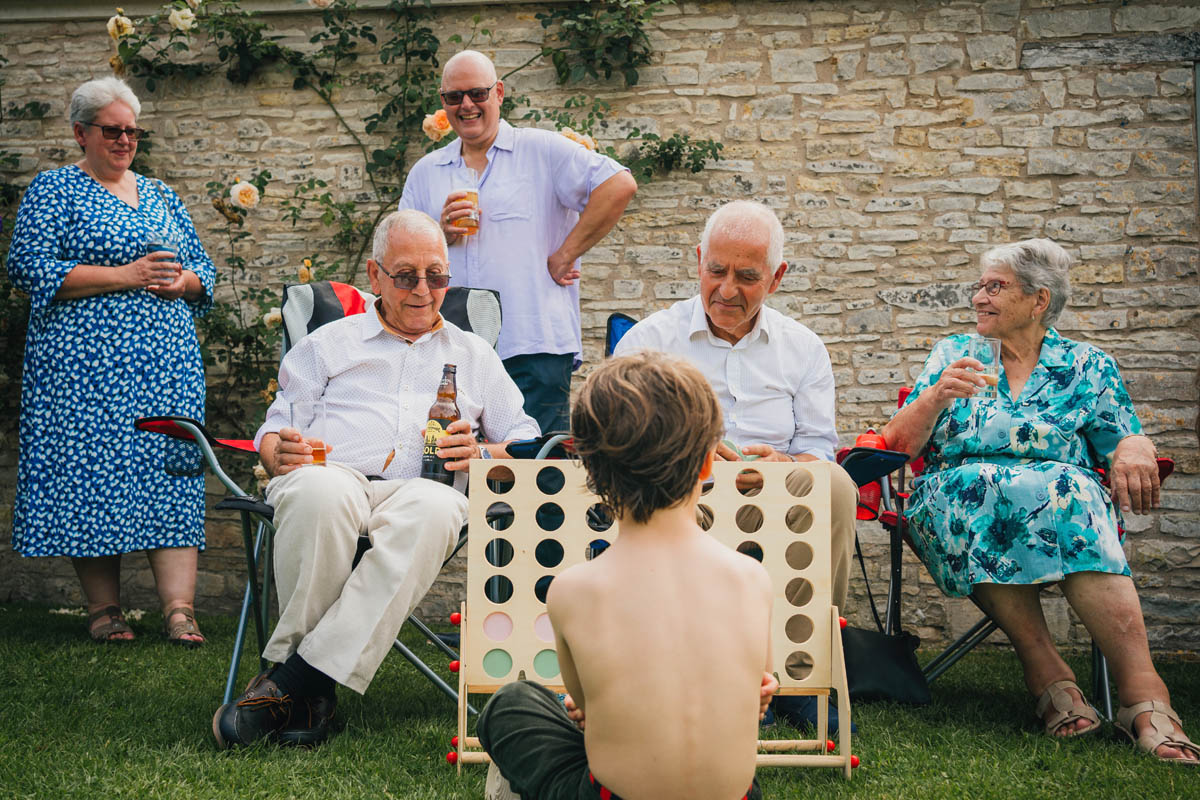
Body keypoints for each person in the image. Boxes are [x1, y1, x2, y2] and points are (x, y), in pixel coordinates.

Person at [212, 210, 540, 749]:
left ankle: (291, 684)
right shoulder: (327, 344)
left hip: (422, 490)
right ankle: (309, 690)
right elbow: (274, 431)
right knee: (320, 494)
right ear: (375, 276)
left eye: (436, 276)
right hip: (329, 472)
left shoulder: (474, 355)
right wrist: (277, 453)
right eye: (406, 275)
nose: (422, 290)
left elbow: (526, 444)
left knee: (436, 509)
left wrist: (482, 450)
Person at [880, 238, 1197, 763]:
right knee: (988, 492)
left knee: (1067, 494)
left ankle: (1145, 696)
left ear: (1039, 300)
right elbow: (897, 446)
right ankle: (1048, 672)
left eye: (995, 287)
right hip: (957, 500)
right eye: (980, 286)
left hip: (1062, 503)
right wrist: (936, 397)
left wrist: (1136, 446)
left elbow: (1123, 435)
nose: (979, 297)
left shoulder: (1089, 365)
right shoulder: (952, 354)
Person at [478, 352, 775, 800]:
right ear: (708, 465)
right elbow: (758, 696)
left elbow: (587, 711)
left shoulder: (574, 591)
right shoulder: (752, 579)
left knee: (512, 703)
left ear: (593, 473)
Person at [613, 199, 857, 733]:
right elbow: (617, 442)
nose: (726, 289)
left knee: (834, 485)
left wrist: (783, 461)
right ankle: (705, 678)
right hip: (681, 493)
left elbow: (819, 447)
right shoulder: (649, 341)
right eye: (715, 270)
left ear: (777, 277)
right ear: (699, 260)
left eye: (747, 276)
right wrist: (693, 456)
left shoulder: (804, 348)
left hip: (777, 493)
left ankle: (799, 675)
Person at [7, 77, 215, 646]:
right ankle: (105, 611)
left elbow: (206, 272)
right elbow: (28, 267)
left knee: (168, 473)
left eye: (133, 131)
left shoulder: (162, 194)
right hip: (83, 372)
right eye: (112, 130)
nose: (125, 140)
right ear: (81, 133)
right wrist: (127, 276)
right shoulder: (55, 191)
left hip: (165, 368)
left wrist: (184, 285)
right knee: (91, 475)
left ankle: (180, 611)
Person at [399, 49, 638, 434]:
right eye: (454, 97)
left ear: (499, 93)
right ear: (443, 103)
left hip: (532, 343)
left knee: (535, 469)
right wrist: (439, 233)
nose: (467, 105)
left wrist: (567, 253)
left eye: (477, 93)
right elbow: (401, 254)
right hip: (451, 350)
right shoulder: (427, 172)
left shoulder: (542, 150)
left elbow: (619, 184)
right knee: (451, 465)